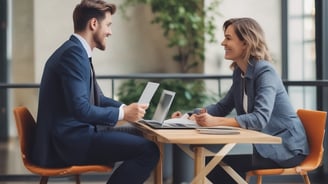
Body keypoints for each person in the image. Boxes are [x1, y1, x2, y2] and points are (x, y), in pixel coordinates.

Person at [32, 0, 159, 183]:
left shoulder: (76, 52)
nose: (110, 31)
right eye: (108, 25)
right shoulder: (73, 55)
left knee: (139, 135)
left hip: (71, 136)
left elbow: (97, 97)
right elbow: (81, 109)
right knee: (148, 150)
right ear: (93, 24)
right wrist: (123, 113)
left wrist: (127, 108)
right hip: (68, 143)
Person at [172, 17, 309, 183]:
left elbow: (260, 118)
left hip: (287, 148)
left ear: (246, 43)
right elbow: (222, 106)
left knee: (220, 167)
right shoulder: (239, 72)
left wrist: (216, 122)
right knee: (215, 165)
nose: (223, 43)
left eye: (228, 38)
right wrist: (188, 117)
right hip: (264, 145)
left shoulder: (265, 72)